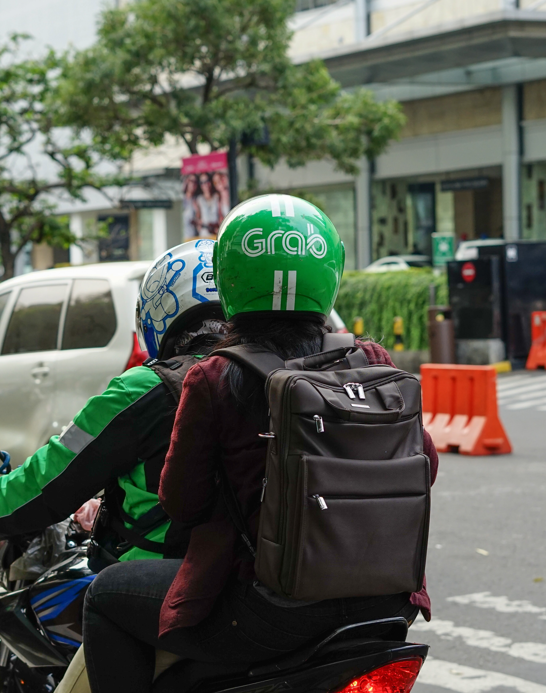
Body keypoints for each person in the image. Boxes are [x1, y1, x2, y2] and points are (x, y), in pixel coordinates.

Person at [79, 195, 439, 693]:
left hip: (269, 612)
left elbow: (181, 502)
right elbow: (426, 464)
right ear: (329, 273)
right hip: (385, 604)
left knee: (102, 597)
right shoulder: (369, 358)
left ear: (227, 277)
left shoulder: (214, 376)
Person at [0, 240, 227, 693]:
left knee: (102, 606)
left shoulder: (150, 388)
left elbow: (51, 476)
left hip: (171, 594)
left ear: (159, 311)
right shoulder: (286, 377)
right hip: (275, 596)